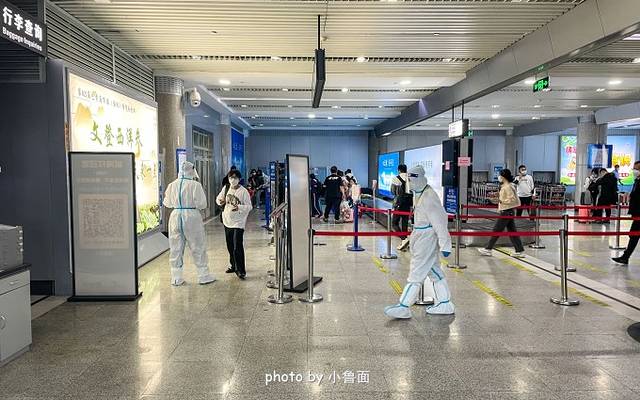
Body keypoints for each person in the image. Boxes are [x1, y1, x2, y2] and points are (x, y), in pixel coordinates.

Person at [384, 165, 454, 318]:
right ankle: (445, 302)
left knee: (416, 273)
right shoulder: (419, 194)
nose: (410, 182)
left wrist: (445, 244)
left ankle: (404, 306)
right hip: (421, 237)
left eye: (412, 179)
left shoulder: (429, 196)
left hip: (426, 240)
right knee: (434, 271)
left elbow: (440, 221)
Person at [163, 161, 216, 286]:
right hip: (191, 216)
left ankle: (176, 277)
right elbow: (202, 204)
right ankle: (203, 275)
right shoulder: (195, 185)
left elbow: (167, 203)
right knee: (197, 245)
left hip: (175, 215)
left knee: (175, 246)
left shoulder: (172, 185)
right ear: (191, 170)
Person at [478, 168, 526, 258]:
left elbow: (511, 199)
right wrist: (498, 196)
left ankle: (488, 249)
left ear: (503, 176)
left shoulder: (507, 187)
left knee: (496, 230)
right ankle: (519, 250)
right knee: (512, 232)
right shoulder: (505, 186)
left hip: (506, 212)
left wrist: (500, 201)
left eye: (500, 175)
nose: (499, 177)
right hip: (508, 211)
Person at [216, 170, 252, 279]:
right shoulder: (226, 188)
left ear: (239, 179)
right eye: (231, 177)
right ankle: (233, 265)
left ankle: (240, 270)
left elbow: (249, 206)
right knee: (230, 245)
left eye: (235, 177)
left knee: (237, 246)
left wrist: (239, 207)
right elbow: (218, 199)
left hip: (238, 222)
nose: (233, 179)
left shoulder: (243, 191)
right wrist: (220, 201)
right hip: (227, 220)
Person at [612, 161, 640, 265]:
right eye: (634, 168)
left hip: (639, 214)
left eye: (637, 169)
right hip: (636, 213)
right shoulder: (636, 181)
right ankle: (625, 257)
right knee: (633, 235)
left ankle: (625, 257)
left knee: (634, 235)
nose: (635, 171)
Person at [391, 164, 412, 251]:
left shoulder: (396, 178)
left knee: (394, 223)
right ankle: (405, 241)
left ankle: (404, 239)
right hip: (408, 203)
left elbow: (392, 191)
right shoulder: (410, 178)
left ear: (399, 170)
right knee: (405, 223)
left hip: (399, 204)